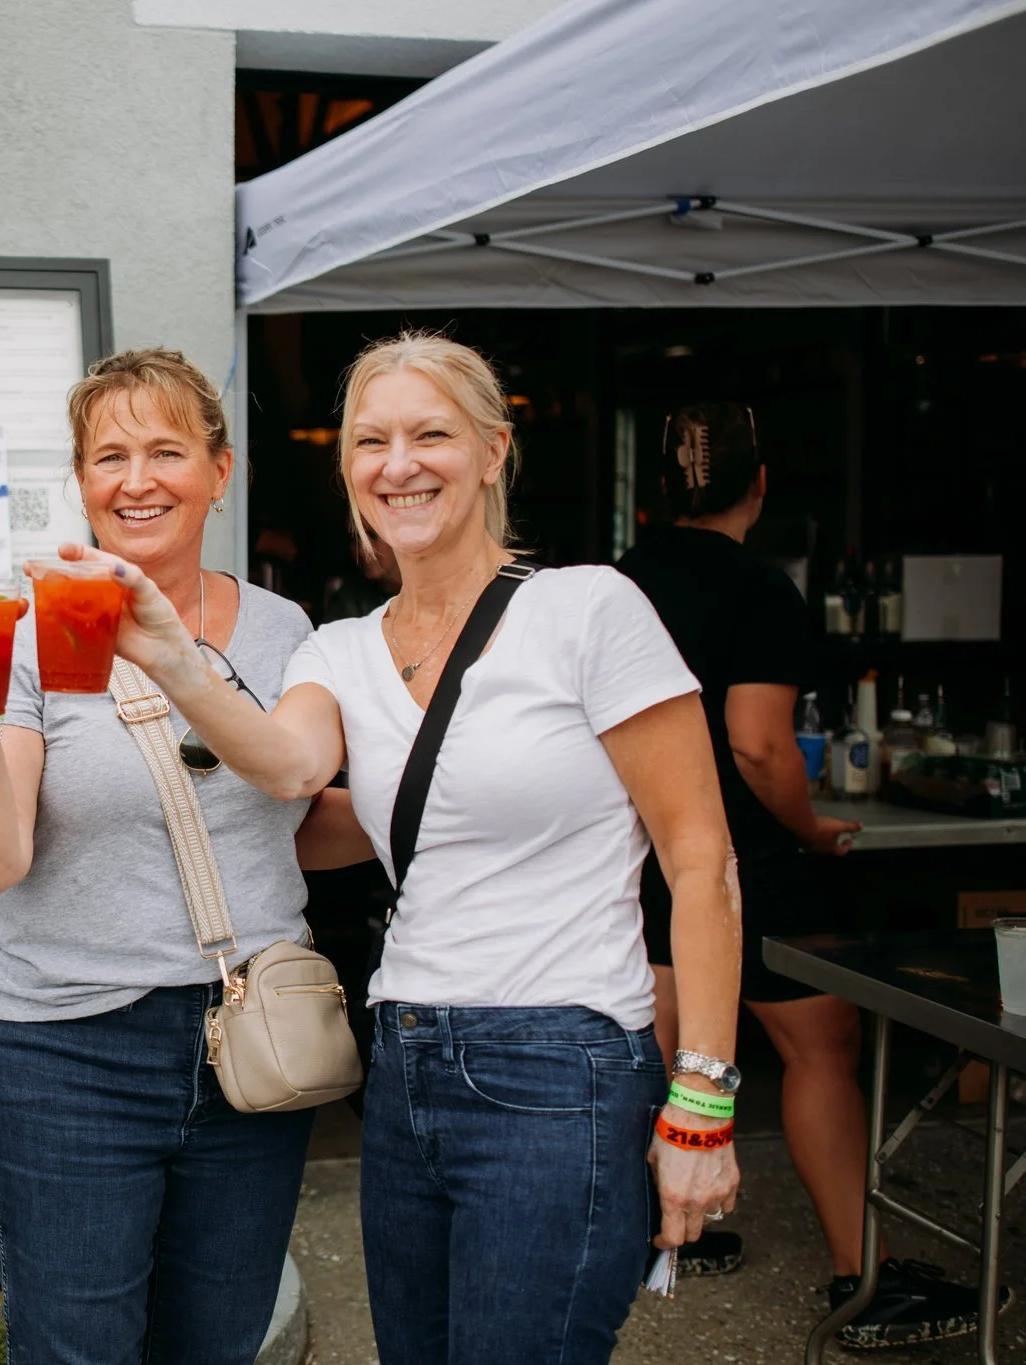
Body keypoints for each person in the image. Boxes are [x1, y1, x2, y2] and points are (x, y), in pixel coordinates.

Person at [84, 332, 743, 1364]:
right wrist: (171, 655)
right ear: (345, 465)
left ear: (490, 452)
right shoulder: (338, 648)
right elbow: (289, 770)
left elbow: (699, 858)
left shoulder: (585, 609)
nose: (397, 464)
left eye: (428, 434)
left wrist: (700, 1101)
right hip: (403, 1063)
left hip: (560, 1065)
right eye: (369, 440)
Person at [0, 347, 370, 1363]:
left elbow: (293, 820)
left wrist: (422, 810)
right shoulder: (24, 633)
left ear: (219, 469)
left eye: (164, 450)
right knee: (77, 1347)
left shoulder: (285, 630)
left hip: (249, 1035)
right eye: (106, 456)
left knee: (216, 1344)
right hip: (65, 1050)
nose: (134, 479)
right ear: (78, 482)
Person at [619, 402, 997, 1348]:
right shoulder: (759, 589)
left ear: (658, 494)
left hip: (639, 844)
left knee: (657, 1038)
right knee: (822, 1044)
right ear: (760, 486)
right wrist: (813, 824)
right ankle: (861, 1279)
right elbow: (757, 747)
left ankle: (669, 1235)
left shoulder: (616, 582)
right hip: (745, 853)